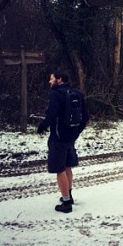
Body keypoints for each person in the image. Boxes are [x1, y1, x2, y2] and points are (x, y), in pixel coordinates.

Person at [37, 72, 89, 213]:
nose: (50, 81)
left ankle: (66, 203)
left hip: (58, 138)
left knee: (59, 169)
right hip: (71, 137)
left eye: (52, 78)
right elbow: (86, 117)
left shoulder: (56, 94)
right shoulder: (77, 93)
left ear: (59, 80)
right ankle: (69, 196)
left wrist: (42, 127)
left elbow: (51, 115)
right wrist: (76, 132)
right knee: (67, 166)